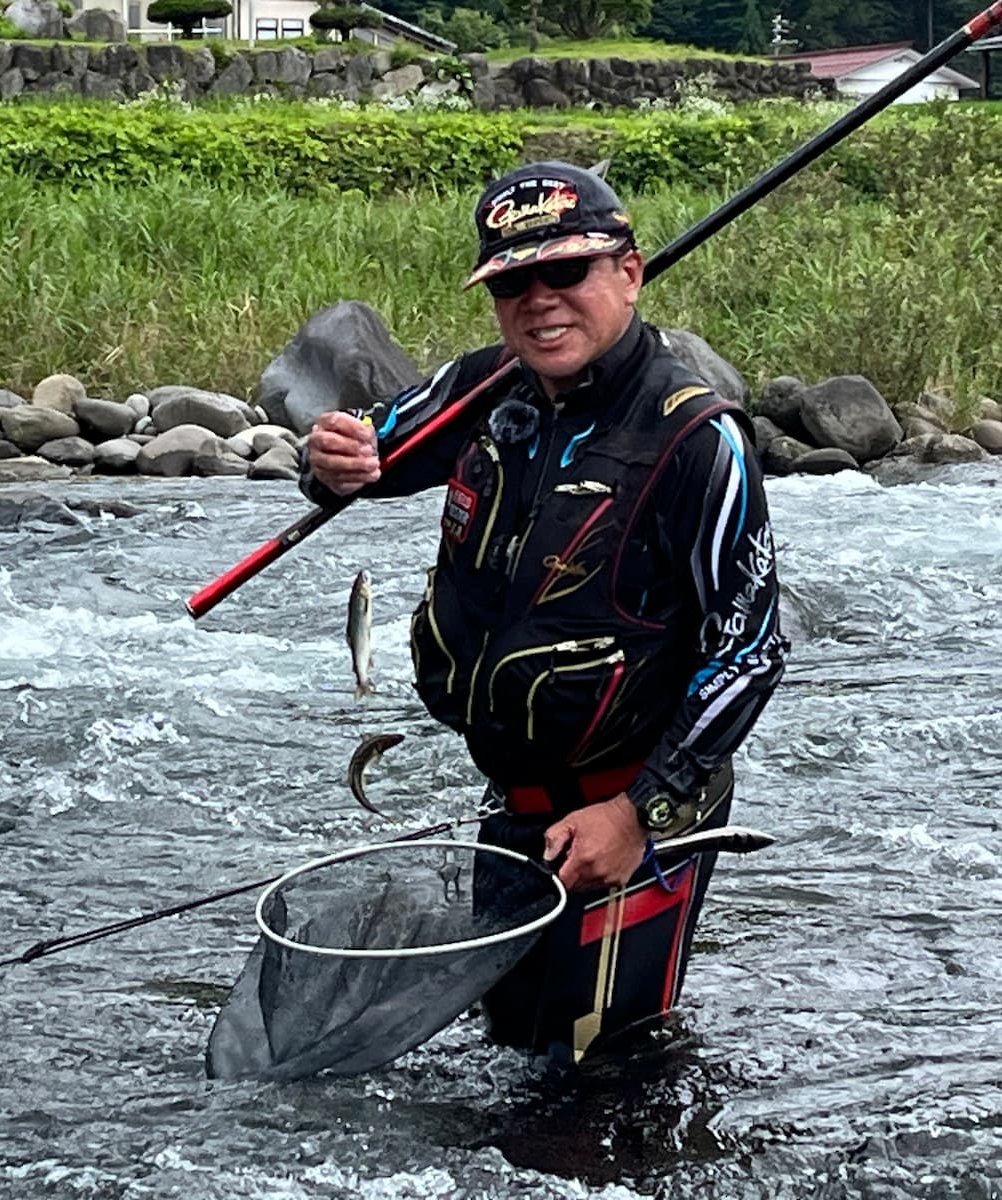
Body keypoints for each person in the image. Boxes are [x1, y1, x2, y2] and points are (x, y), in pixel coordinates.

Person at [300, 161, 788, 1064]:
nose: (540, 302)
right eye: (512, 283)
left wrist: (638, 810)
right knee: (518, 1059)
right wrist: (328, 460)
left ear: (629, 274)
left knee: (604, 1081)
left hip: (632, 817)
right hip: (514, 806)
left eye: (567, 273)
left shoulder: (696, 437)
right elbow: (369, 453)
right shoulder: (484, 386)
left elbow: (751, 651)